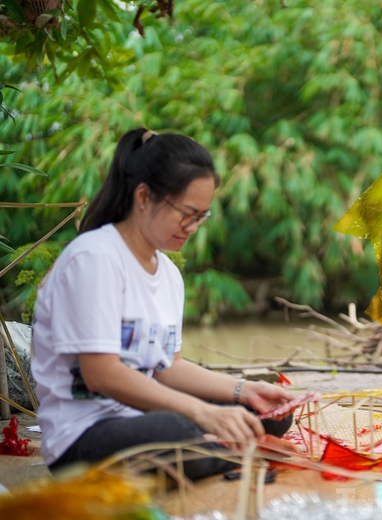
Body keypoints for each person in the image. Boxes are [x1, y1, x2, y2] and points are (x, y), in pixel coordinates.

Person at [32, 128, 295, 479]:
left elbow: (168, 368)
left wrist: (245, 390)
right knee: (175, 432)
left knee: (268, 413)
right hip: (83, 436)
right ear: (144, 196)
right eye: (187, 213)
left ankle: (220, 446)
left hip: (143, 415)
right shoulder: (94, 259)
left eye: (201, 216)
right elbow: (101, 374)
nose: (193, 227)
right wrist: (203, 414)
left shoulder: (169, 274)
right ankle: (222, 449)